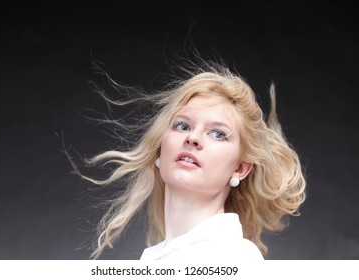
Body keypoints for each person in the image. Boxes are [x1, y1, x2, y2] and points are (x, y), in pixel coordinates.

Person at [70, 54, 306, 261]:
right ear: (159, 152)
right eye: (182, 126)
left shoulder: (236, 258)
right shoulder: (156, 260)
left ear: (241, 169)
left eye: (217, 133)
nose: (193, 138)